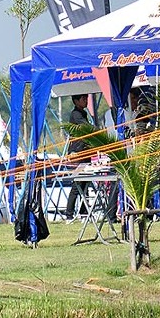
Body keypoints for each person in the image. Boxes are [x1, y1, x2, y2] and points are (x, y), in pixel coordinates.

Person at [63, 93, 93, 222]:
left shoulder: (84, 113)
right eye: (83, 99)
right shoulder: (76, 114)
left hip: (86, 152)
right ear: (76, 101)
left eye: (86, 98)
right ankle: (69, 214)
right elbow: (87, 128)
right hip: (78, 153)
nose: (86, 101)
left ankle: (83, 212)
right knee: (77, 185)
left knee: (85, 183)